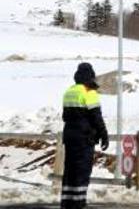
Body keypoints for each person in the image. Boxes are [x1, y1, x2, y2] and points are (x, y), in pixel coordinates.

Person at [61, 63, 109, 209]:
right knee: (82, 170)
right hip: (84, 138)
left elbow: (65, 116)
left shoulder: (69, 91)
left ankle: (67, 202)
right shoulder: (89, 92)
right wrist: (104, 134)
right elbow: (96, 116)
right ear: (90, 76)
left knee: (70, 170)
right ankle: (79, 203)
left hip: (69, 137)